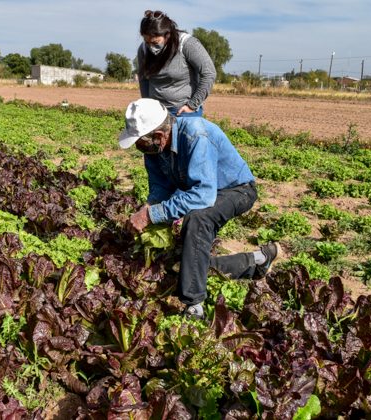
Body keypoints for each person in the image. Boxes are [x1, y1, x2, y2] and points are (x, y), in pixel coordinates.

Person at [119, 98, 281, 320]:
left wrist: (151, 215)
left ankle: (194, 306)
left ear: (158, 136)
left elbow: (204, 195)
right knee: (185, 266)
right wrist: (148, 207)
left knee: (198, 219)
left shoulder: (195, 135)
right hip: (207, 190)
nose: (139, 149)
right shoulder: (154, 150)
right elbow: (160, 188)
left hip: (236, 190)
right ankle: (256, 262)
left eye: (140, 143)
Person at [137, 10, 216, 117]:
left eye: (155, 43)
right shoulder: (143, 50)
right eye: (147, 42)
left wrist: (192, 105)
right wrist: (148, 105)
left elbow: (209, 73)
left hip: (183, 110)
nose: (151, 47)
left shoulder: (187, 44)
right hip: (156, 112)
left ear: (167, 35)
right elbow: (143, 79)